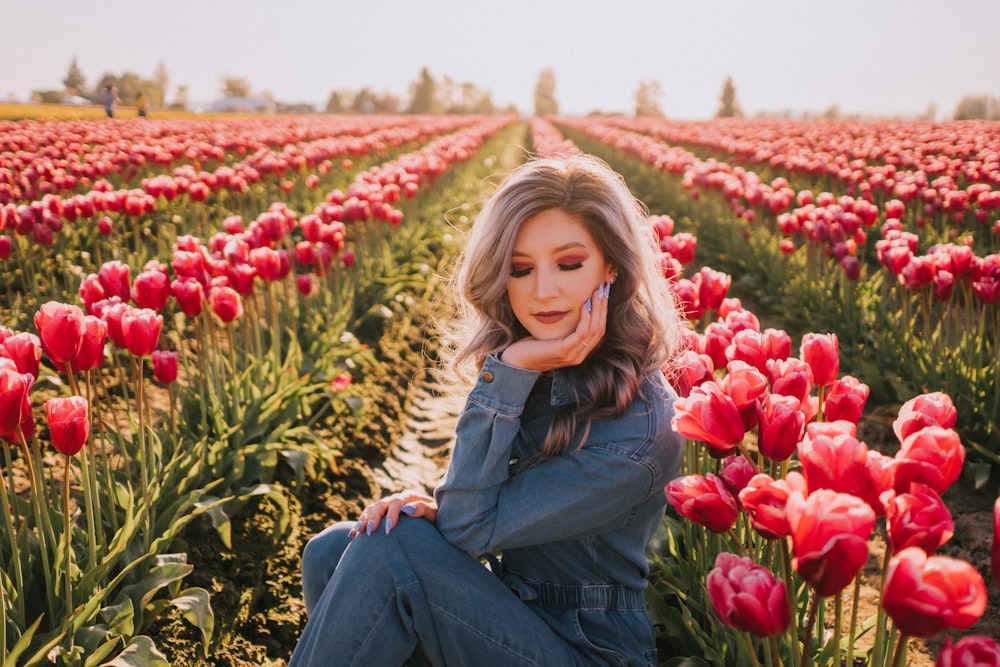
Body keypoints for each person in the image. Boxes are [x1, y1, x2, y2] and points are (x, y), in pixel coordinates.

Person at [289, 153, 686, 666]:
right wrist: (436, 511)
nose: (544, 291)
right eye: (521, 269)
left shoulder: (642, 430)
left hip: (585, 651)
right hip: (515, 619)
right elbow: (466, 516)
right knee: (337, 548)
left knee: (392, 549)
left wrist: (512, 368)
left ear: (612, 265)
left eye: (569, 264)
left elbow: (468, 528)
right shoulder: (545, 367)